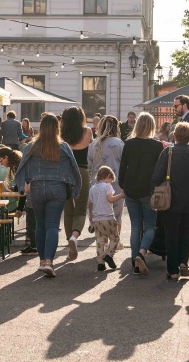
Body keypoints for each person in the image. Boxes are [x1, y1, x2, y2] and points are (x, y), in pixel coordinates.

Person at [15, 114, 81, 276]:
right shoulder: (63, 147)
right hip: (57, 188)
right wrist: (75, 189)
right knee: (52, 226)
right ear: (57, 128)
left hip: (37, 187)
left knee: (40, 225)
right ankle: (49, 262)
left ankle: (42, 260)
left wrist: (21, 187)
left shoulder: (31, 146)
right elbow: (74, 169)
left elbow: (22, 167)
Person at [151, 122, 189, 281]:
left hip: (170, 199)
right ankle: (184, 262)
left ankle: (172, 270)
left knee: (171, 234)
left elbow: (156, 176)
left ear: (174, 136)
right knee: (185, 231)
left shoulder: (168, 152)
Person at [119, 112, 165, 275]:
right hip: (149, 190)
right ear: (152, 126)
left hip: (131, 189)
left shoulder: (129, 144)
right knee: (150, 226)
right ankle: (142, 252)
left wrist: (122, 185)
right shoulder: (157, 146)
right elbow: (160, 170)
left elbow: (123, 167)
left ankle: (134, 261)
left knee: (135, 226)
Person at [61, 106, 94, 261]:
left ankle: (69, 244)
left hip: (65, 174)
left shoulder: (62, 135)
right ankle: (75, 237)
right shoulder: (87, 132)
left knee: (68, 210)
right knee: (80, 210)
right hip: (82, 172)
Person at [89, 115, 125, 225]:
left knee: (99, 215)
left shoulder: (94, 144)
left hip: (97, 184)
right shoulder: (119, 143)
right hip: (115, 183)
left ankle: (100, 239)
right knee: (116, 216)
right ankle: (115, 240)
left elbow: (89, 165)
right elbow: (124, 164)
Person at [88, 166, 125, 271]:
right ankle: (109, 255)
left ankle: (100, 263)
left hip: (97, 220)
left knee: (100, 240)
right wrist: (121, 195)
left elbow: (90, 205)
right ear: (108, 176)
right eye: (111, 180)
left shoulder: (92, 188)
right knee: (115, 238)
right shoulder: (107, 186)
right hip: (108, 217)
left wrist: (91, 218)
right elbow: (110, 199)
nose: (111, 182)